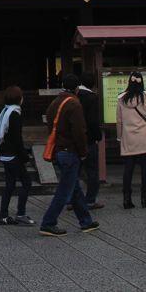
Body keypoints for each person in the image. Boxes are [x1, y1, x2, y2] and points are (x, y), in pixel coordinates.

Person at [39, 74, 98, 236]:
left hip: (58, 150)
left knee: (75, 188)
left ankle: (86, 221)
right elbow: (79, 131)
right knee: (65, 190)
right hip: (70, 151)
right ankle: (48, 222)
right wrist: (83, 151)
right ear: (77, 88)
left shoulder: (54, 103)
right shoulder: (74, 104)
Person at [116, 72, 146, 209]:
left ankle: (126, 199)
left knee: (128, 170)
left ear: (129, 82)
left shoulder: (121, 98)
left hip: (129, 139)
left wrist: (119, 137)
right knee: (145, 169)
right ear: (141, 82)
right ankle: (144, 199)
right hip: (145, 138)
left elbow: (119, 121)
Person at [0, 85, 33, 226]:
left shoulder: (5, 111)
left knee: (9, 185)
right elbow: (17, 139)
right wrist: (24, 156)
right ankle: (21, 213)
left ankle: (3, 216)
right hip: (13, 155)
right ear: (19, 99)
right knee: (26, 183)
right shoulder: (15, 114)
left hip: (4, 154)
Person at [78, 72, 104, 209]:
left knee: (75, 171)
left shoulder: (74, 96)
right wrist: (97, 136)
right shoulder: (91, 98)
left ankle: (73, 200)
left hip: (76, 140)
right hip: (89, 139)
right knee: (92, 170)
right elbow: (93, 121)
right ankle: (90, 199)